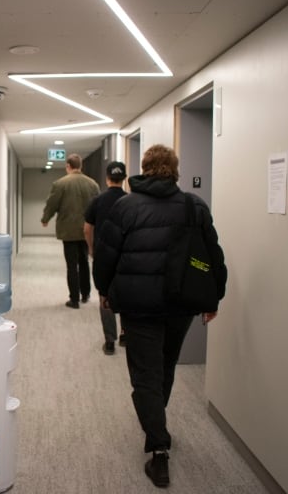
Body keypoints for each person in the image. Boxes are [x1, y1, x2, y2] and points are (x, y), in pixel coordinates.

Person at [93, 145, 227, 488]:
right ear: (175, 170)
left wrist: (104, 290)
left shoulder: (126, 206)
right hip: (180, 304)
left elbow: (106, 255)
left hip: (139, 306)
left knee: (144, 374)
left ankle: (159, 448)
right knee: (165, 366)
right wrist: (214, 296)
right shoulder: (194, 205)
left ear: (146, 168)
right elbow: (213, 254)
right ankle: (158, 424)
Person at [41, 153, 100, 309]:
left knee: (72, 265)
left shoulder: (60, 184)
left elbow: (52, 203)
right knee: (84, 262)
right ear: (80, 166)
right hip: (87, 230)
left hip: (68, 231)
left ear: (68, 166)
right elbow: (97, 207)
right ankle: (86, 294)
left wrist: (45, 218)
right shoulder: (92, 184)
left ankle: (74, 299)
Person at [84, 161, 127, 355]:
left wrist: (92, 249)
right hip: (126, 255)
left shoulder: (98, 201)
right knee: (128, 293)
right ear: (124, 178)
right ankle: (125, 335)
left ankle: (110, 341)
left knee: (105, 295)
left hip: (103, 255)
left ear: (107, 178)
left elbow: (87, 228)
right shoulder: (130, 200)